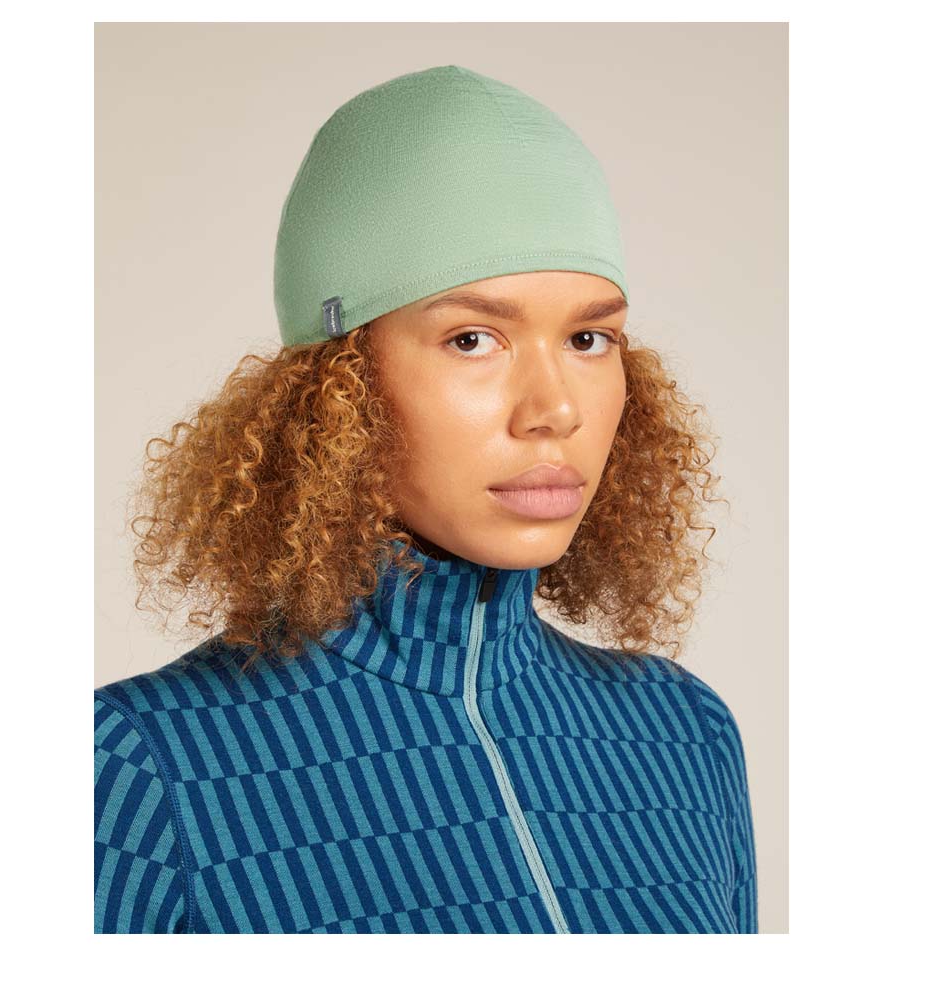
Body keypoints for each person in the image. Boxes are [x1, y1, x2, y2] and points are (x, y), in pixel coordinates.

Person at [95, 64, 757, 933]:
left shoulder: (684, 736)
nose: (555, 409)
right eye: (473, 339)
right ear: (335, 383)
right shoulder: (143, 767)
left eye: (589, 338)